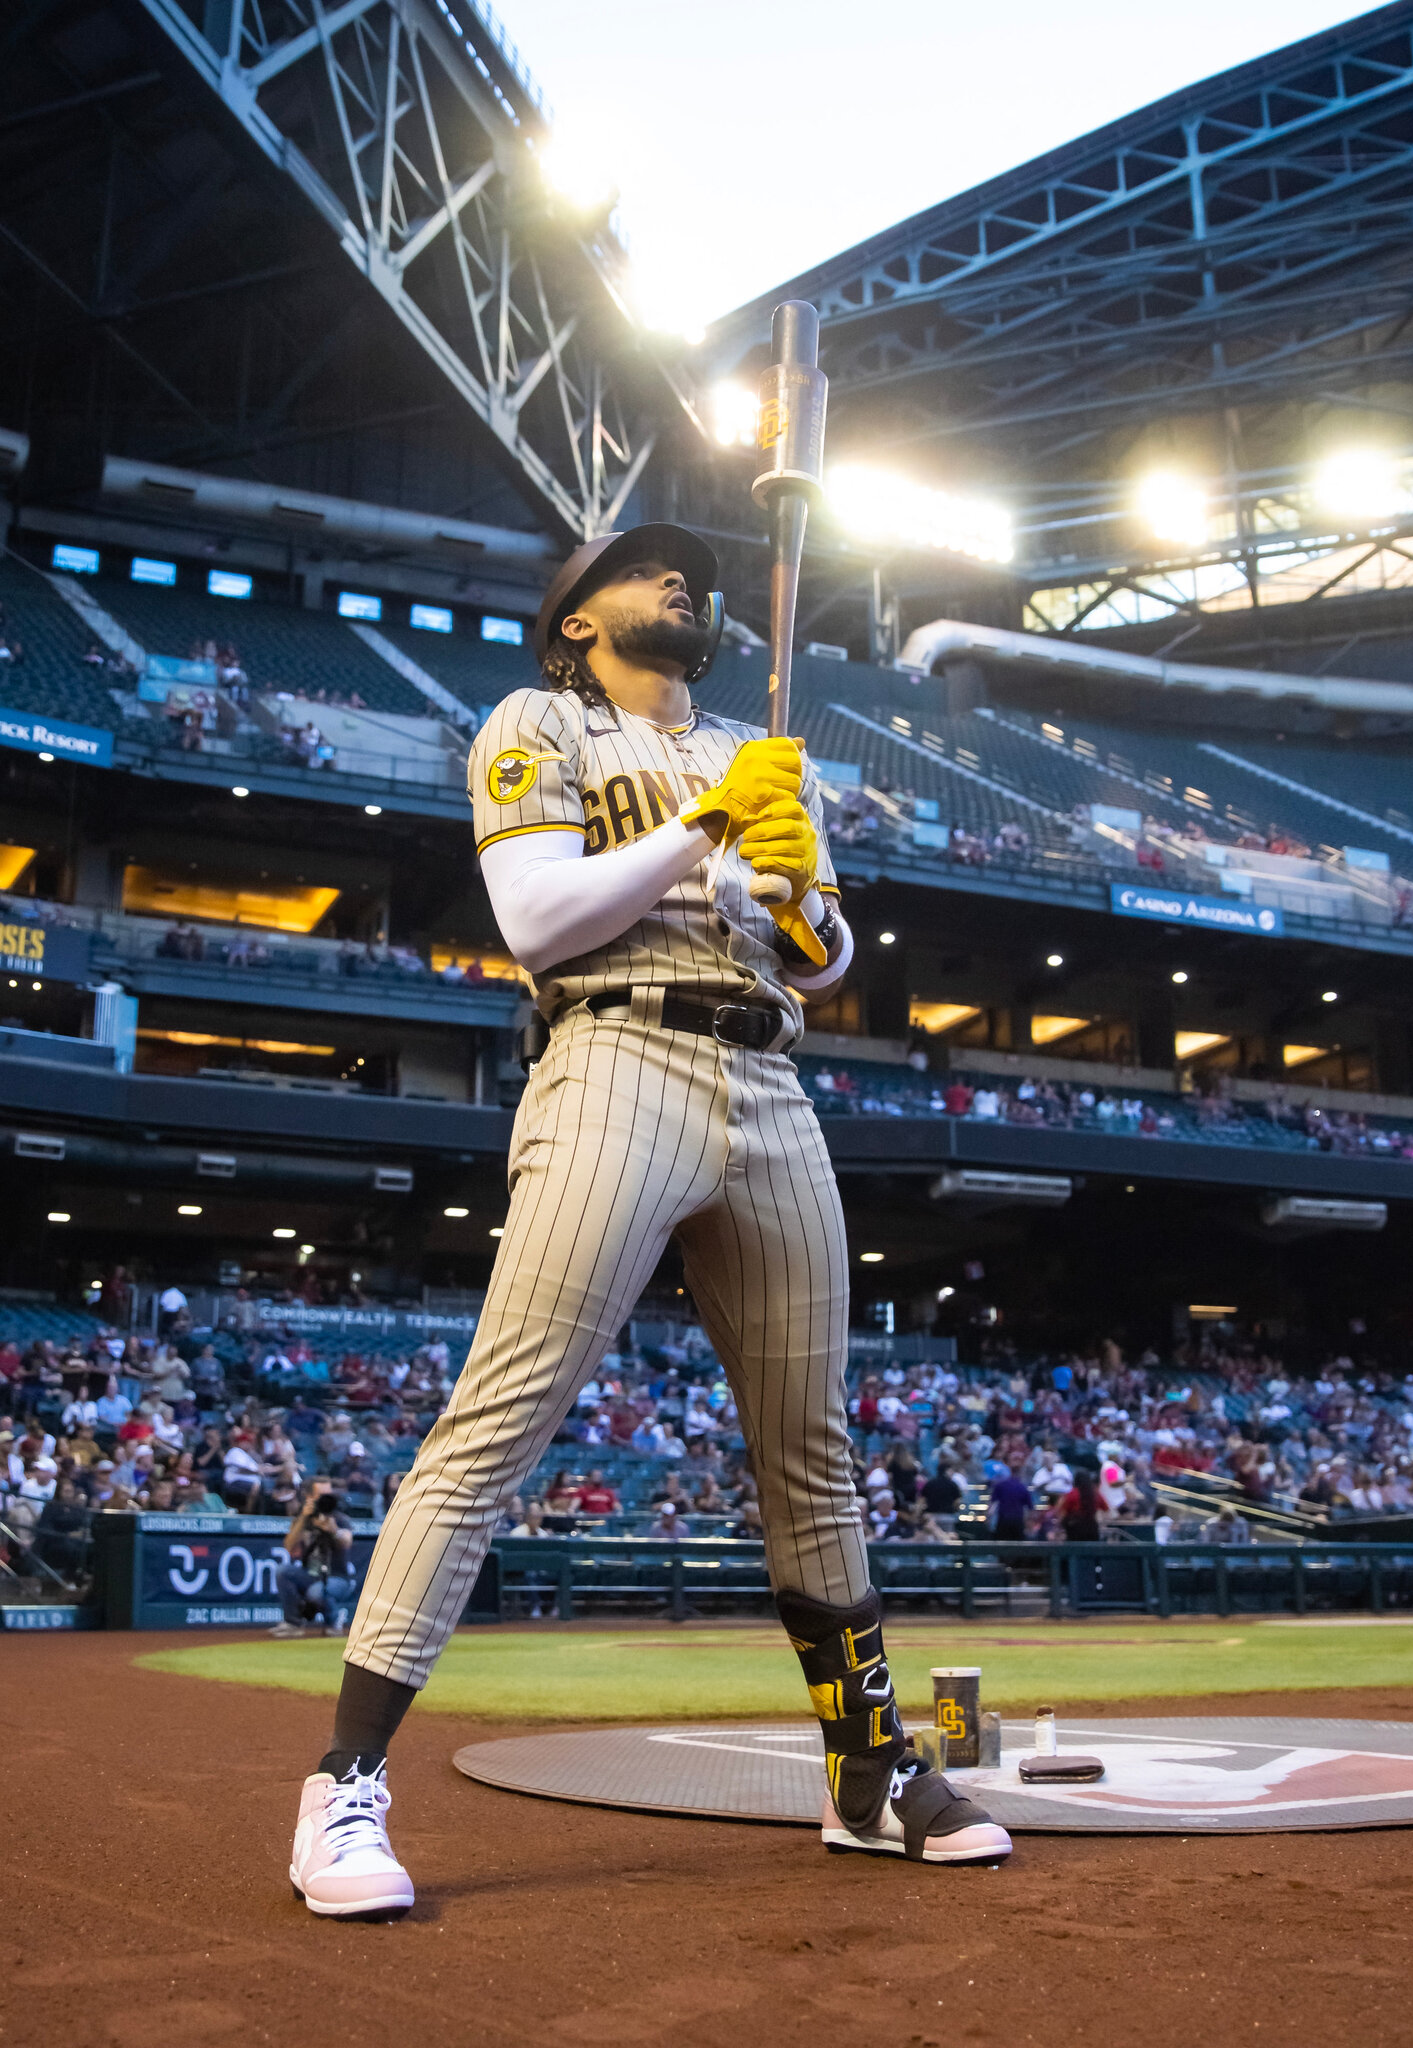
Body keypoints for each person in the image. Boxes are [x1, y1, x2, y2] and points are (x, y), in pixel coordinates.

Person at [288, 524, 1009, 1920]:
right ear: (575, 623)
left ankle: (865, 1775)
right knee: (497, 1425)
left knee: (815, 1458)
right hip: (615, 1054)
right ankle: (345, 1785)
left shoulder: (758, 745)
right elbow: (539, 920)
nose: (678, 577)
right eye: (639, 569)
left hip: (769, 1075)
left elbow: (827, 952)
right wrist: (709, 821)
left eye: (686, 567)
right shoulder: (539, 718)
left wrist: (804, 905)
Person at [273, 1488, 355, 1638]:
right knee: (282, 1571)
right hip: (309, 1574)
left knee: (315, 1592)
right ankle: (293, 1623)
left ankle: (334, 1621)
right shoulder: (305, 1520)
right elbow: (289, 1546)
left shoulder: (338, 1518)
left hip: (338, 1577)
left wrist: (334, 1530)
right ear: (309, 1497)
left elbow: (347, 1542)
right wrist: (303, 1518)